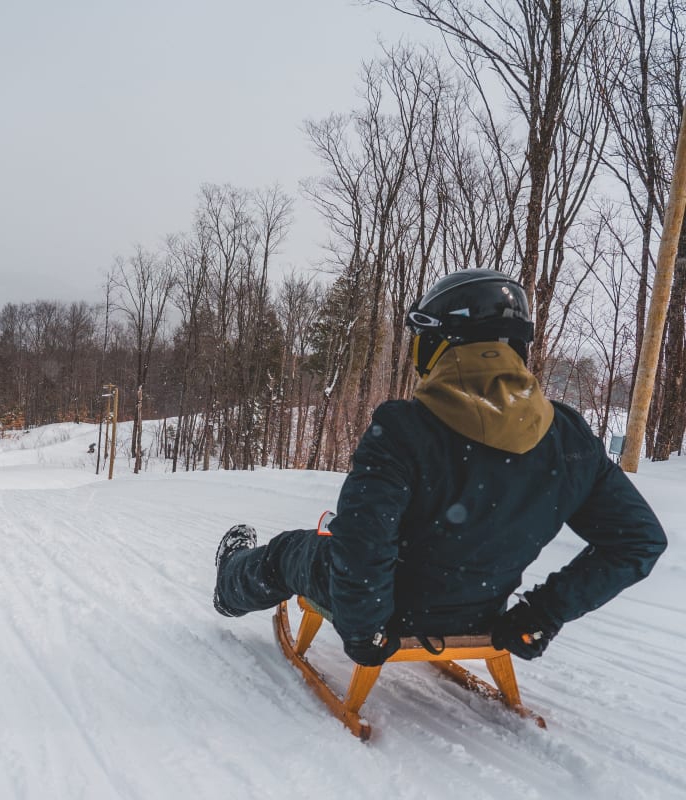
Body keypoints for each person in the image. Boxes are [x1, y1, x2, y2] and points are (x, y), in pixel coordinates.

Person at [213, 269, 667, 667]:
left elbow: (364, 543)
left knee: (288, 551)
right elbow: (638, 541)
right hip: (483, 612)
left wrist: (364, 630)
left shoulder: (403, 428)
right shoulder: (568, 436)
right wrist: (541, 613)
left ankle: (229, 584)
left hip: (392, 613)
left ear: (435, 345)